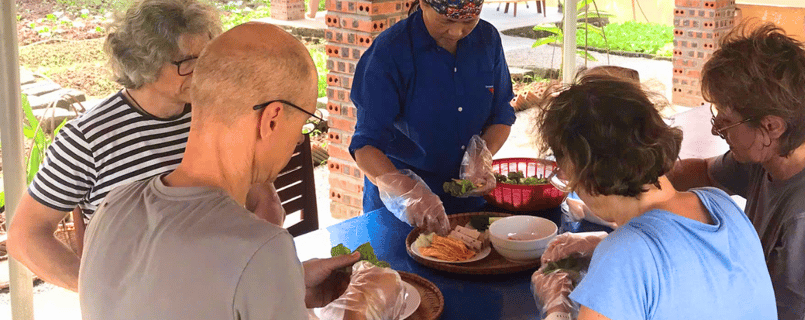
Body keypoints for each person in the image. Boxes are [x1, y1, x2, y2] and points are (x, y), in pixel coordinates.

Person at [79, 22, 407, 320]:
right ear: (272, 119)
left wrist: (285, 284)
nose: (297, 141)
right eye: (304, 123)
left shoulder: (114, 204)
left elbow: (161, 296)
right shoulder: (260, 248)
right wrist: (363, 308)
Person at [6, 0, 285, 292]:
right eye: (188, 63)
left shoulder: (216, 114)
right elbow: (26, 236)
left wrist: (251, 270)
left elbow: (265, 202)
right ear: (145, 63)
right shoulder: (89, 138)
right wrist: (101, 292)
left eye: (209, 58)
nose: (204, 72)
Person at [668, 24, 805, 319]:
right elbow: (704, 172)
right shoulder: (774, 154)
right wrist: (645, 173)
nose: (717, 129)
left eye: (726, 121)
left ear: (771, 126)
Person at [530, 71, 776, 320]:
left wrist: (556, 306)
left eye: (566, 173)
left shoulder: (622, 258)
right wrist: (600, 243)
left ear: (586, 172)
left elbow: (640, 260)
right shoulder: (720, 203)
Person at [348, 0, 516, 234]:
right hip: (403, 209)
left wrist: (481, 155)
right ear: (423, 4)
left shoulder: (487, 39)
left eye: (469, 20)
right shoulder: (390, 51)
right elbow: (365, 146)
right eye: (446, 20)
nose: (457, 32)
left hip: (468, 202)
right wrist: (408, 191)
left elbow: (502, 114)